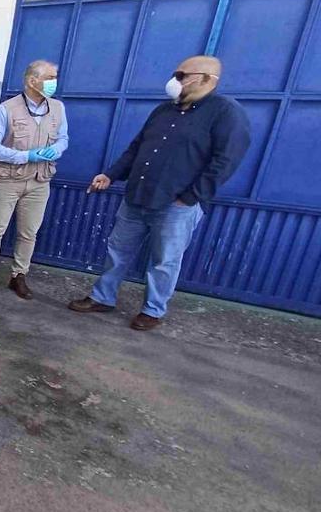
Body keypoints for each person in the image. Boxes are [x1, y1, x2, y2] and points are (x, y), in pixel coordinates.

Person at [69, 55, 251, 330]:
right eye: (175, 74)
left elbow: (226, 160)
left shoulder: (225, 112)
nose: (175, 80)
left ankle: (152, 310)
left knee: (165, 260)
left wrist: (190, 197)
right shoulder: (163, 111)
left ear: (207, 79)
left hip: (176, 205)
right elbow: (136, 147)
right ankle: (102, 297)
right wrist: (111, 174)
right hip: (137, 196)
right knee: (117, 251)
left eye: (182, 75)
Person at [0, 59, 68, 299]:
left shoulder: (57, 108)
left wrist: (57, 149)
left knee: (28, 233)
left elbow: (63, 138)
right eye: (50, 78)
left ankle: (19, 276)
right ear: (32, 81)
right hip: (8, 181)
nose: (54, 82)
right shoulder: (7, 109)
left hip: (40, 181)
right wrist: (25, 156)